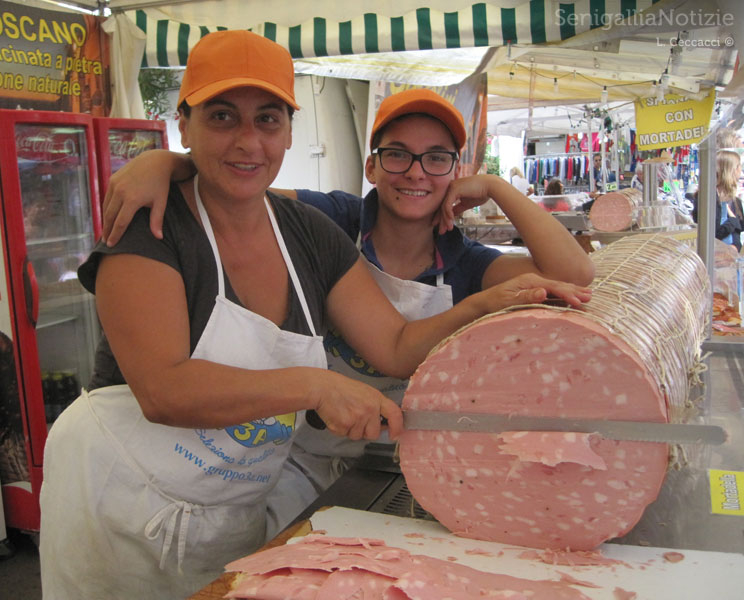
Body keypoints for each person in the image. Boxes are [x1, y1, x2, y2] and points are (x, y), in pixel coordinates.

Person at [39, 32, 591, 600]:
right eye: (222, 117)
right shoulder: (152, 226)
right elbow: (163, 391)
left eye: (269, 120)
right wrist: (316, 386)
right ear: (185, 124)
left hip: (231, 507)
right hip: (118, 506)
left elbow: (395, 344)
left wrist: (481, 304)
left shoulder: (309, 233)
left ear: (288, 131)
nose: (249, 141)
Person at [101, 88, 595, 501]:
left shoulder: (469, 265)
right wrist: (166, 162)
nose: (416, 172)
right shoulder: (327, 222)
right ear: (371, 166)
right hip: (292, 458)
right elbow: (240, 179)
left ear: (455, 170)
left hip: (394, 458)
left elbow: (575, 271)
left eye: (437, 158)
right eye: (397, 154)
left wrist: (495, 187)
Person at [693, 150, 743, 250]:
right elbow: (713, 234)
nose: (740, 170)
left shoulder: (735, 200)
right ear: (731, 170)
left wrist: (735, 247)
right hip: (712, 256)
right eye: (739, 166)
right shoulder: (706, 197)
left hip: (729, 258)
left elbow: (739, 229)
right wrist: (733, 220)